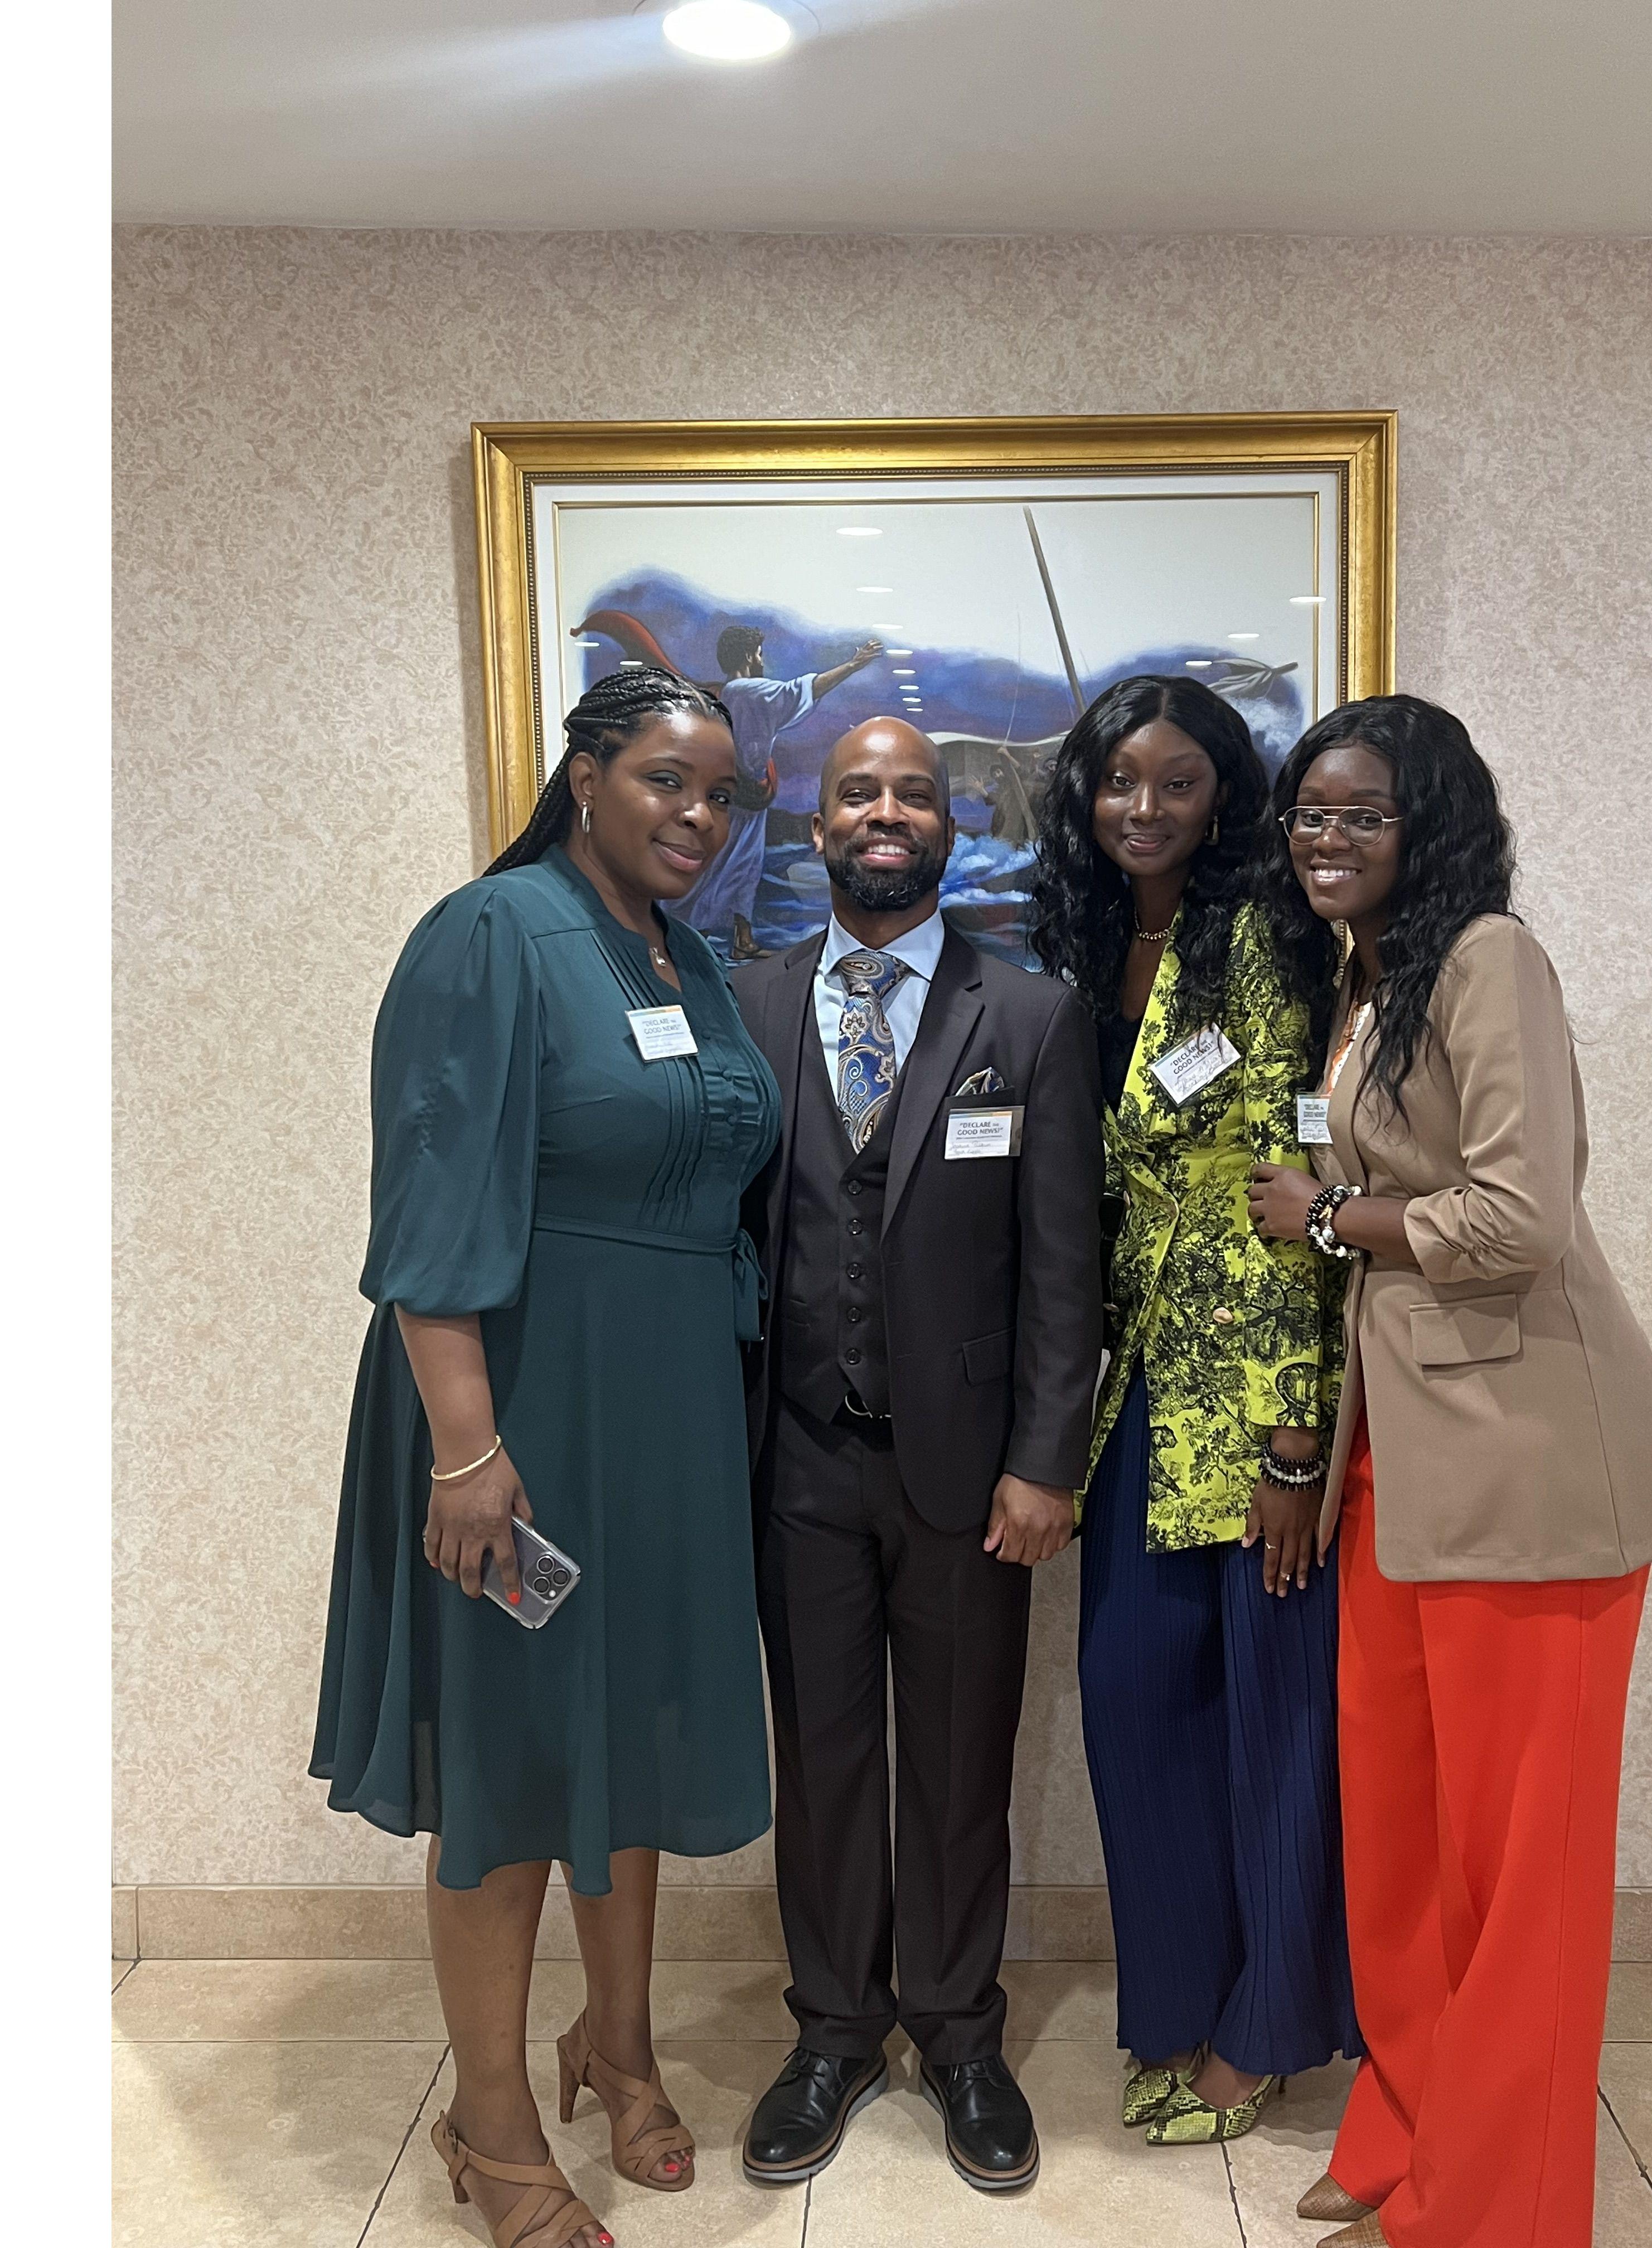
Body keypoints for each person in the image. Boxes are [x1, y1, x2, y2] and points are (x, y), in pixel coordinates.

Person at [312, 666, 783, 2248]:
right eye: (668, 780)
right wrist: (465, 1450)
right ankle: (493, 2124)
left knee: (632, 1734)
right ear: (582, 774)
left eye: (724, 794)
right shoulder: (493, 934)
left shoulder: (686, 958)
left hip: (668, 1421)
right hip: (517, 1415)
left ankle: (620, 2046)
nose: (700, 818)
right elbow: (430, 1208)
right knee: (512, 1764)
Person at [1244, 694, 1652, 2248]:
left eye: (1360, 813)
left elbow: (1518, 1221)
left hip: (1530, 1470)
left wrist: (1324, 1215)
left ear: (1430, 823)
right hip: (1401, 1472)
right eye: (1310, 810)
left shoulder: (1490, 958)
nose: (1325, 837)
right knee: (1406, 1843)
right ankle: (1408, 2128)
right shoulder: (1368, 983)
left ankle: (1499, 2209)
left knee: (1525, 1884)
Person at [729, 715, 1103, 2195]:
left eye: (912, 792)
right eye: (856, 791)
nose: (885, 811)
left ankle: (956, 2034)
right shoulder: (746, 1005)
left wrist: (1047, 1458)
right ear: (817, 824)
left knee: (958, 1766)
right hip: (798, 1463)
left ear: (950, 825)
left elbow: (1064, 1270)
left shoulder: (1030, 1016)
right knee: (821, 1764)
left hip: (971, 1474)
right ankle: (831, 2029)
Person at [1030, 674, 1362, 2149]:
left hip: (1259, 1414)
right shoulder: (1086, 945)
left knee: (1276, 1734)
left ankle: (1268, 2029)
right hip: (1139, 1409)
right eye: (1117, 780)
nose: (1142, 808)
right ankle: (1173, 2008)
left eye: (1174, 781)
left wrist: (1301, 1437)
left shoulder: (1268, 947)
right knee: (1140, 1718)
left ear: (1225, 791)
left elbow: (1303, 1197)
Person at [672, 624, 886, 958]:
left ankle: (740, 940)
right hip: (744, 797)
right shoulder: (749, 690)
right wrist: (853, 665)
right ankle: (698, 938)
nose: (761, 660)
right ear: (747, 655)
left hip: (743, 797)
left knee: (743, 866)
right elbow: (804, 690)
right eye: (758, 653)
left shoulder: (732, 692)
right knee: (728, 868)